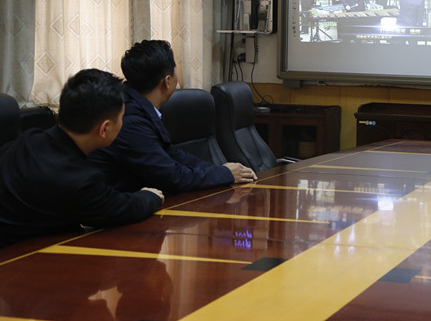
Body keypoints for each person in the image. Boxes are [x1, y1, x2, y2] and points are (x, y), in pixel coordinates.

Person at [0, 69, 164, 248]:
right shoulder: (79, 179)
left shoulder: (29, 139)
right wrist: (150, 196)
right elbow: (123, 209)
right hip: (19, 256)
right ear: (105, 129)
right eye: (121, 118)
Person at [89, 40, 256, 194]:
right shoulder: (129, 119)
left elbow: (172, 154)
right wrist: (224, 174)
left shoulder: (136, 105)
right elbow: (172, 178)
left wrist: (221, 170)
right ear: (167, 81)